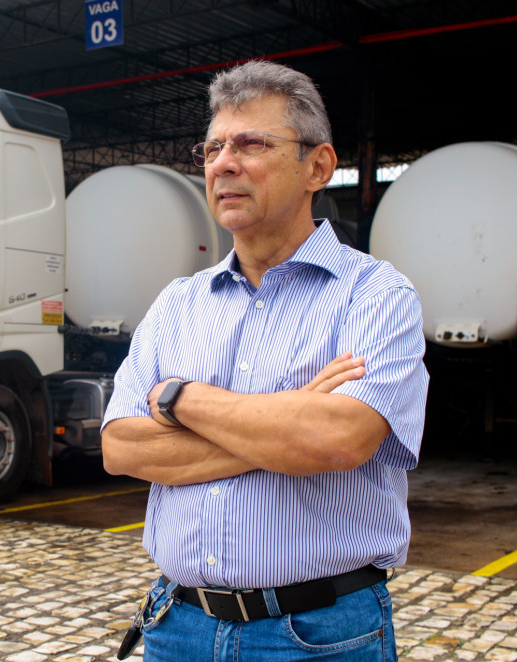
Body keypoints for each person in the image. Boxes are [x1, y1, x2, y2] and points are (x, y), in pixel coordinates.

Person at [101, 59, 429, 661]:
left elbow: (337, 441)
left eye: (251, 144)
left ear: (318, 166)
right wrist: (288, 419)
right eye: (213, 148)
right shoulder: (177, 304)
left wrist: (184, 399)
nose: (224, 162)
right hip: (179, 628)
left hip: (320, 634)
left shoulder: (376, 296)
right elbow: (122, 447)